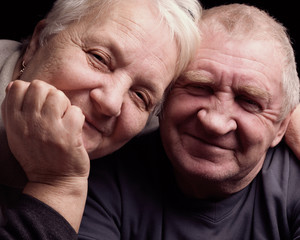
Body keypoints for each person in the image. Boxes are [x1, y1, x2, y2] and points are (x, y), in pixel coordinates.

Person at [78, 4, 300, 239]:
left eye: (248, 101)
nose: (215, 122)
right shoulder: (100, 175)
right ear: (165, 94)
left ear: (282, 127)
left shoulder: (294, 187)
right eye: (199, 87)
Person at [0, 0, 201, 238]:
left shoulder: (142, 159)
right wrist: (57, 185)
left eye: (140, 96)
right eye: (100, 58)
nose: (111, 103)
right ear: (39, 41)